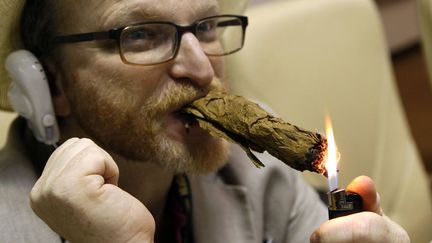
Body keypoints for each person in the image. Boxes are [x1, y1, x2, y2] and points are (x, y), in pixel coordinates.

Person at [0, 0, 410, 242]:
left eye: (207, 26)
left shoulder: (256, 175)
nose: (200, 69)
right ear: (50, 82)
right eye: (140, 34)